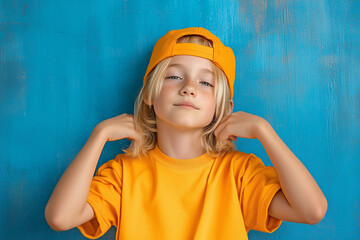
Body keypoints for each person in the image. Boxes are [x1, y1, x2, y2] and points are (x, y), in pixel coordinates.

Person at [44, 27, 328, 239]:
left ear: (223, 108)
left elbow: (312, 211)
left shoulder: (239, 173)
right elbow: (60, 217)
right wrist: (99, 135)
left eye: (206, 82)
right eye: (174, 76)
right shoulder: (123, 174)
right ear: (149, 96)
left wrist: (266, 133)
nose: (189, 87)